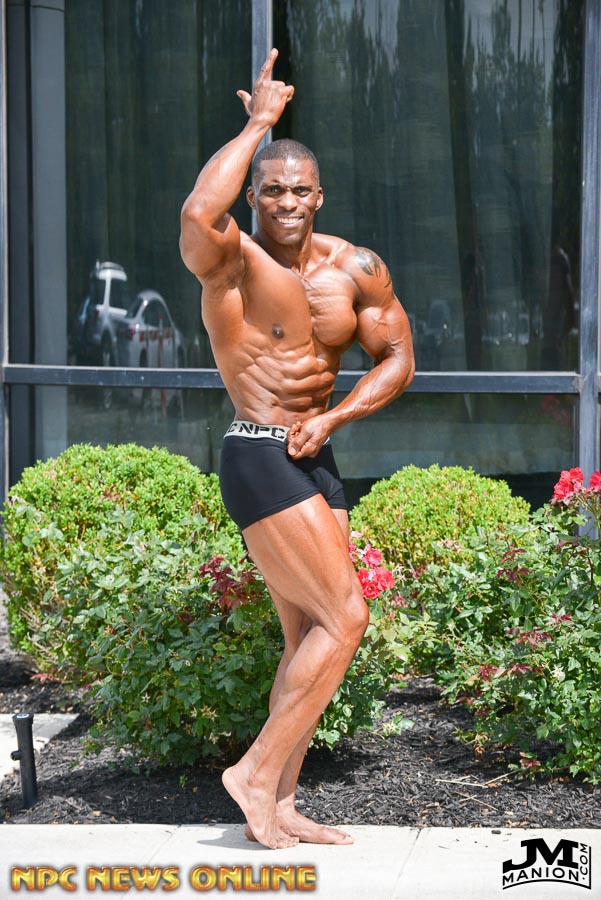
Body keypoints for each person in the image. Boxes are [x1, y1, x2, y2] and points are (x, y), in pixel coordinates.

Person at [179, 48, 415, 850]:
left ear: (319, 195)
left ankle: (277, 804)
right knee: (346, 618)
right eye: (271, 189)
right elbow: (197, 213)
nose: (285, 201)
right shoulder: (230, 263)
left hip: (316, 454)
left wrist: (335, 419)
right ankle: (252, 774)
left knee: (308, 635)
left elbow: (397, 359)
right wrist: (257, 125)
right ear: (253, 195)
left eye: (298, 189)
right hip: (258, 449)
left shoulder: (355, 267)